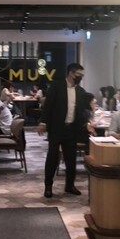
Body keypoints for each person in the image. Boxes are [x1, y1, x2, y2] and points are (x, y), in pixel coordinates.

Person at [38, 62, 87, 198]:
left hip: (71, 129)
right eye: (79, 74)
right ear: (71, 73)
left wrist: (86, 123)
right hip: (56, 128)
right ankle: (48, 186)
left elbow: (81, 111)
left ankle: (70, 185)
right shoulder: (57, 86)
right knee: (52, 158)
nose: (81, 77)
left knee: (71, 159)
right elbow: (48, 105)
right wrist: (43, 122)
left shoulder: (80, 91)